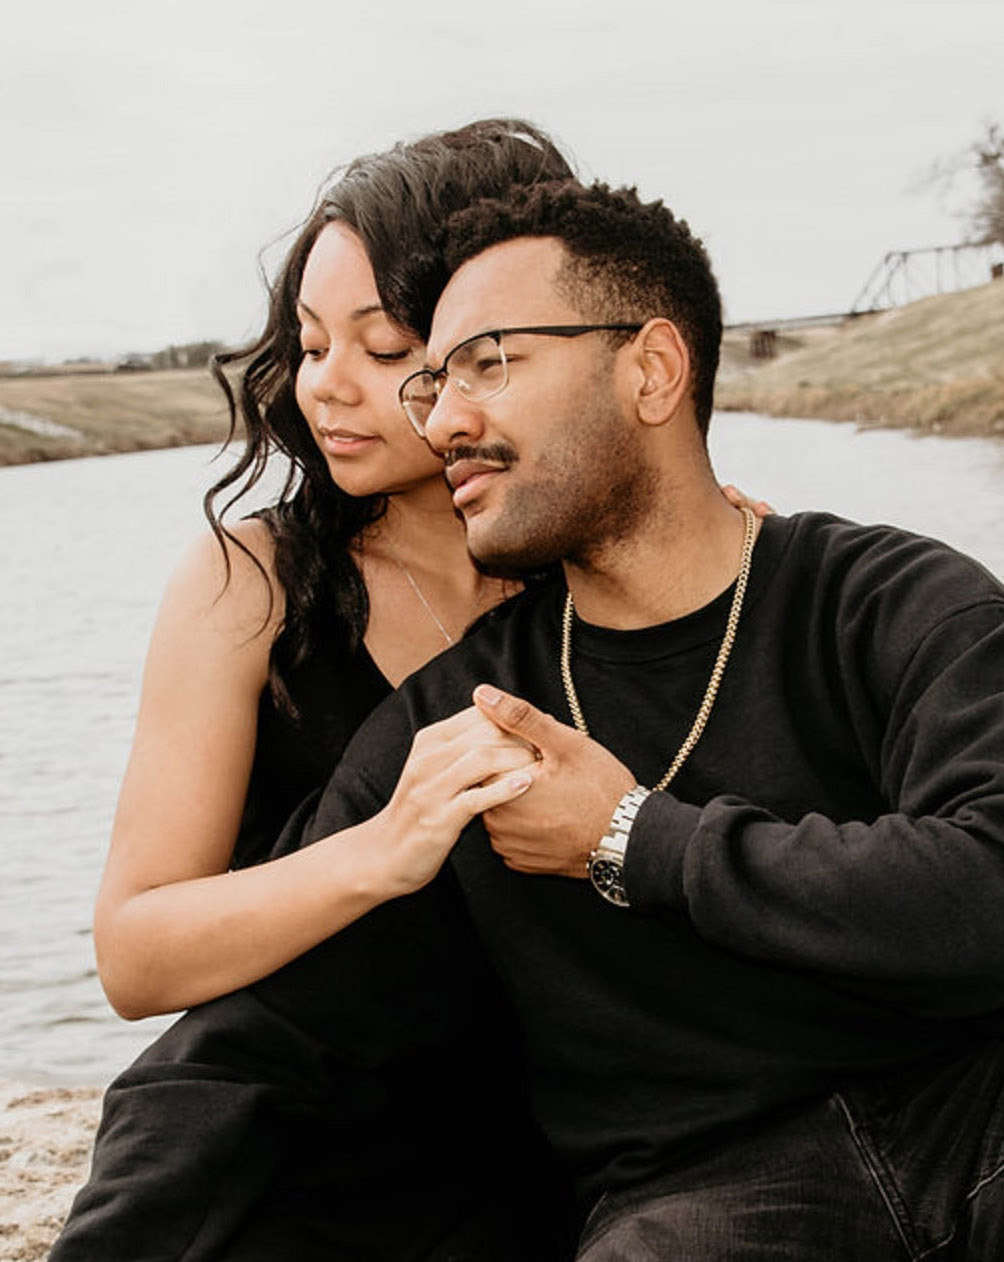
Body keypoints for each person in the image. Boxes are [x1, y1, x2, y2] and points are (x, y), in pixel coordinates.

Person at [210, 177, 1004, 1258]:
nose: (443, 417)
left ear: (651, 370)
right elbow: (255, 1047)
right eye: (434, 383)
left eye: (489, 362)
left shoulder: (893, 601)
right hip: (702, 1199)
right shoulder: (453, 718)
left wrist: (633, 835)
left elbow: (987, 882)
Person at [52, 119, 583, 1262]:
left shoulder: (611, 584)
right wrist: (380, 847)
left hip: (530, 1164)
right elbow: (135, 955)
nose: (323, 388)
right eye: (307, 342)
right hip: (253, 1156)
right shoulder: (250, 581)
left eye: (382, 347)